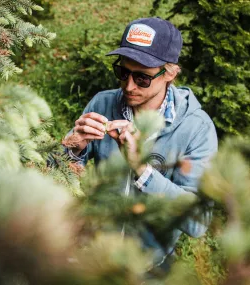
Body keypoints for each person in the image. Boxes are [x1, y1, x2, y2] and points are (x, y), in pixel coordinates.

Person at [60, 17, 218, 270]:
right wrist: (73, 147)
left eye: (143, 78)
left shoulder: (196, 128)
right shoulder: (102, 103)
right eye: (123, 72)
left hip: (150, 265)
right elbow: (53, 173)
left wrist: (142, 171)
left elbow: (197, 223)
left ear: (170, 73)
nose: (129, 85)